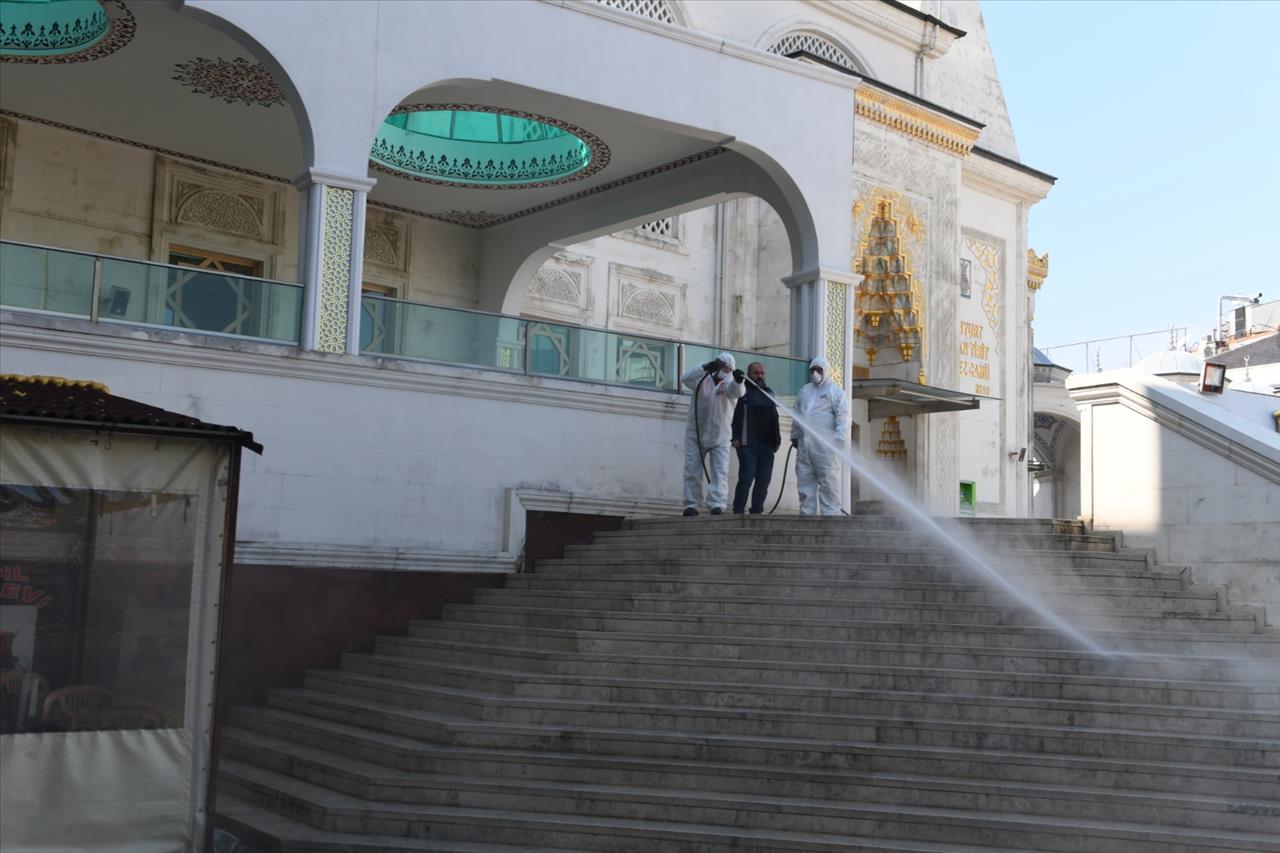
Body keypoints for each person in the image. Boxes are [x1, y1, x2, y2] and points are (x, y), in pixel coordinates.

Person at [680, 351, 745, 516]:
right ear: (716, 366)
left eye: (728, 368)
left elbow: (737, 392)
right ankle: (691, 505)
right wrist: (704, 367)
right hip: (696, 433)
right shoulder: (702, 379)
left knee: (720, 472)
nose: (725, 370)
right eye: (722, 366)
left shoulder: (730, 384)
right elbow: (685, 378)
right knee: (692, 470)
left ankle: (717, 504)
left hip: (721, 436)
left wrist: (738, 380)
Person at [790, 355, 850, 515]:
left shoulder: (835, 391)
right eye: (813, 370)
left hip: (825, 447)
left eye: (819, 370)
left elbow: (843, 418)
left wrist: (839, 439)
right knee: (804, 480)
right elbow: (798, 414)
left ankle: (831, 514)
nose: (815, 373)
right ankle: (806, 513)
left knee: (828, 481)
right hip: (805, 446)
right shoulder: (805, 390)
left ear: (825, 371)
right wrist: (795, 435)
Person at [730, 362, 781, 514]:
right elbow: (737, 415)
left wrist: (777, 439)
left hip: (766, 445)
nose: (759, 376)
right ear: (749, 373)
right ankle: (738, 510)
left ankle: (757, 511)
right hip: (747, 443)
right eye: (756, 373)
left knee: (764, 480)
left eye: (762, 373)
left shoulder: (769, 392)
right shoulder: (742, 391)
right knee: (746, 478)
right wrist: (736, 436)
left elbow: (774, 417)